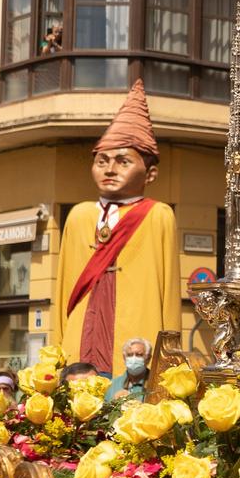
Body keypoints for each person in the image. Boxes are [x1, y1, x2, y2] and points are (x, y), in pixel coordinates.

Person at [50, 79, 182, 373]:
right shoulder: (79, 216)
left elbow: (170, 292)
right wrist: (57, 349)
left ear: (150, 174)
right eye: (102, 161)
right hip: (81, 335)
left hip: (137, 341)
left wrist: (169, 360)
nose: (109, 169)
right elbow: (61, 293)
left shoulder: (158, 215)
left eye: (123, 161)